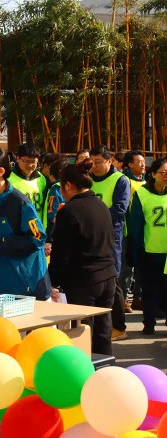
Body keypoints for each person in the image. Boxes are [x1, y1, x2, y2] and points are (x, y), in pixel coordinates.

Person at [49, 160, 116, 356]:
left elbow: (61, 254)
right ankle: (106, 368)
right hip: (108, 276)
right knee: (103, 331)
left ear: (68, 185)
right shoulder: (102, 205)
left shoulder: (69, 211)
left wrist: (52, 281)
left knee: (82, 333)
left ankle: (85, 372)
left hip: (83, 280)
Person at [0, 147, 51, 301]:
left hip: (29, 281)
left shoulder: (19, 202)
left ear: (1, 171)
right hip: (0, 280)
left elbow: (37, 238)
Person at [89, 145, 131, 341]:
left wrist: (95, 218)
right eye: (92, 162)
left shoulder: (120, 180)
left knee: (112, 280)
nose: (94, 166)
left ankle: (119, 326)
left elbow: (120, 208)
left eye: (98, 162)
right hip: (90, 235)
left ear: (109, 160)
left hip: (111, 236)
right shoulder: (88, 179)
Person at [127, 158, 167, 336]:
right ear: (153, 174)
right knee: (149, 290)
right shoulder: (142, 194)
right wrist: (134, 252)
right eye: (163, 172)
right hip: (150, 251)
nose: (166, 176)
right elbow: (135, 225)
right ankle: (149, 323)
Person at [121, 149, 146, 312]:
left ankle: (138, 298)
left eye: (143, 161)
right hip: (128, 231)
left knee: (142, 267)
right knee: (126, 267)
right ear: (130, 164)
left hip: (145, 231)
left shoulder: (147, 182)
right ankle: (123, 299)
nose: (143, 164)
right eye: (139, 162)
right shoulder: (125, 181)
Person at [9, 143, 46, 217]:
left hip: (37, 223)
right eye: (26, 161)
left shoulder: (41, 178)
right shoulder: (8, 179)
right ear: (18, 158)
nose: (30, 165)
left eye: (33, 162)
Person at [43, 158, 69, 244]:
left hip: (53, 235)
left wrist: (49, 239)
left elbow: (52, 214)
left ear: (52, 176)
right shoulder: (70, 187)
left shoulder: (55, 189)